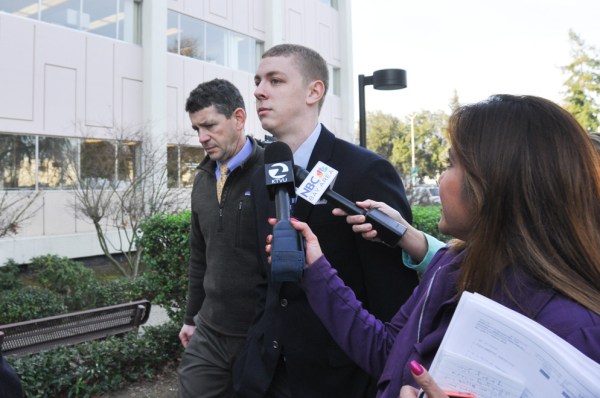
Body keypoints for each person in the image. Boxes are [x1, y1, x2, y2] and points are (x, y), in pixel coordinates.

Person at [266, 94, 600, 398]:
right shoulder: (449, 266)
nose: (440, 178)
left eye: (452, 164)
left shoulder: (573, 329)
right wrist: (316, 269)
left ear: (493, 184)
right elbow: (388, 352)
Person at [233, 44, 419, 398]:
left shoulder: (366, 171)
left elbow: (394, 299)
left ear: (313, 91)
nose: (259, 90)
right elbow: (266, 282)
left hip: (341, 379)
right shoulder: (261, 177)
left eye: (275, 80)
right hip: (265, 375)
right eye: (258, 81)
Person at [177, 78, 265, 398]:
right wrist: (190, 319)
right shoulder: (202, 180)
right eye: (196, 129)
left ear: (238, 119)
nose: (202, 137)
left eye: (210, 126)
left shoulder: (273, 171)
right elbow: (199, 256)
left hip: (259, 333)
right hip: (209, 332)